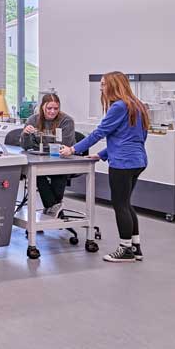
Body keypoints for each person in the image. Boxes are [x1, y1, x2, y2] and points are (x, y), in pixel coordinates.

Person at [60, 72, 149, 263]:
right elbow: (131, 138)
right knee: (126, 203)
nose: (101, 88)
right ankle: (135, 247)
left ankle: (125, 249)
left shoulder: (118, 106)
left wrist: (73, 149)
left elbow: (99, 133)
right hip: (138, 161)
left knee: (120, 205)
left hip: (123, 163)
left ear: (114, 85)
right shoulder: (137, 105)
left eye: (103, 85)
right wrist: (101, 155)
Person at [20, 93, 76, 217]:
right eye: (49, 108)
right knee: (35, 173)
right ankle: (55, 207)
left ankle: (51, 207)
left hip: (61, 162)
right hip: (39, 162)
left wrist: (39, 147)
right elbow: (25, 146)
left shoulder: (66, 121)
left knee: (59, 173)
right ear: (42, 107)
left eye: (56, 108)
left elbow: (63, 145)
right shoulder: (32, 120)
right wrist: (25, 134)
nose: (52, 112)